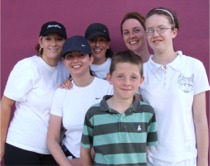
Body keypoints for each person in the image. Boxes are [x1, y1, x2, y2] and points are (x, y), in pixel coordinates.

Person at [140, 7, 210, 166]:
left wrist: (203, 160)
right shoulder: (141, 71)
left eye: (161, 29)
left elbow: (200, 119)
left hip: (186, 159)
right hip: (151, 159)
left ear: (174, 32)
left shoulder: (194, 67)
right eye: (150, 30)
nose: (155, 34)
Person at [0, 21, 69, 165]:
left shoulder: (66, 70)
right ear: (40, 41)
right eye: (48, 38)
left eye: (59, 39)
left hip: (52, 152)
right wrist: (0, 145)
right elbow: (5, 105)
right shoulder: (28, 67)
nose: (53, 43)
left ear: (65, 42)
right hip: (22, 147)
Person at [80, 50, 158, 166]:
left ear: (141, 80)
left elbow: (149, 151)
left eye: (133, 77)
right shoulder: (94, 114)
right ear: (110, 78)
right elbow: (85, 151)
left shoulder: (147, 113)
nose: (127, 82)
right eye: (120, 76)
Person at [47, 35, 113, 166]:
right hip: (68, 159)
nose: (75, 60)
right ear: (64, 61)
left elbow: (110, 132)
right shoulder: (61, 93)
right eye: (70, 56)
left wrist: (84, 162)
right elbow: (52, 139)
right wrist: (66, 164)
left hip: (101, 159)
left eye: (81, 55)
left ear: (90, 59)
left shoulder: (107, 89)